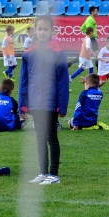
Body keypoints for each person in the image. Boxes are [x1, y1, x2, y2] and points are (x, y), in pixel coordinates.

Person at [18, 15, 70, 185]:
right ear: (35, 30)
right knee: (39, 137)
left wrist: (62, 106)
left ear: (51, 31)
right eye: (39, 29)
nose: (42, 32)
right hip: (35, 102)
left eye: (45, 29)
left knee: (51, 136)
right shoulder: (28, 53)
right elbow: (24, 80)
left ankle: (54, 175)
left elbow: (62, 81)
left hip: (51, 102)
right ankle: (42, 172)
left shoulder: (58, 52)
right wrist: (23, 105)